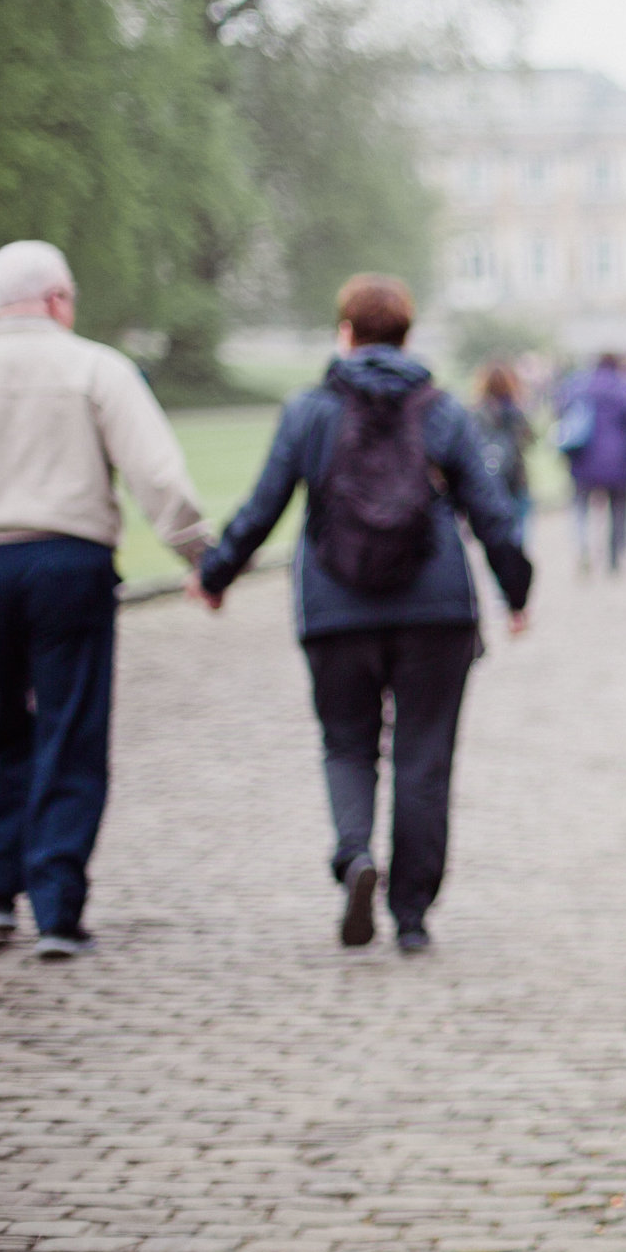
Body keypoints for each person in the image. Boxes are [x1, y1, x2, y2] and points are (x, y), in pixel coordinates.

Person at [193, 276, 532, 953]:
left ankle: (355, 856)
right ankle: (410, 913)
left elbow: (265, 505)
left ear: (344, 333)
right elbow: (491, 512)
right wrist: (516, 591)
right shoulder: (441, 410)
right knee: (424, 756)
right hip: (435, 607)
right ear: (408, 335)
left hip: (335, 604)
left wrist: (216, 573)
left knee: (347, 741)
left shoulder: (310, 409)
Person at [0, 242, 213, 958]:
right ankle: (59, 906)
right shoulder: (94, 366)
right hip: (67, 561)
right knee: (69, 727)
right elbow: (155, 470)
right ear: (59, 297)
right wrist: (199, 554)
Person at [556, 353, 626, 575]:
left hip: (582, 458)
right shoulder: (624, 388)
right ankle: (614, 557)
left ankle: (582, 548)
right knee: (618, 510)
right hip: (617, 460)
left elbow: (560, 413)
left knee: (580, 508)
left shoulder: (578, 386)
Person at [469, 361, 534, 544]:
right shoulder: (515, 411)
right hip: (517, 479)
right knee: (519, 533)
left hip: (490, 479)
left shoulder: (476, 412)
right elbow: (530, 439)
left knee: (495, 534)